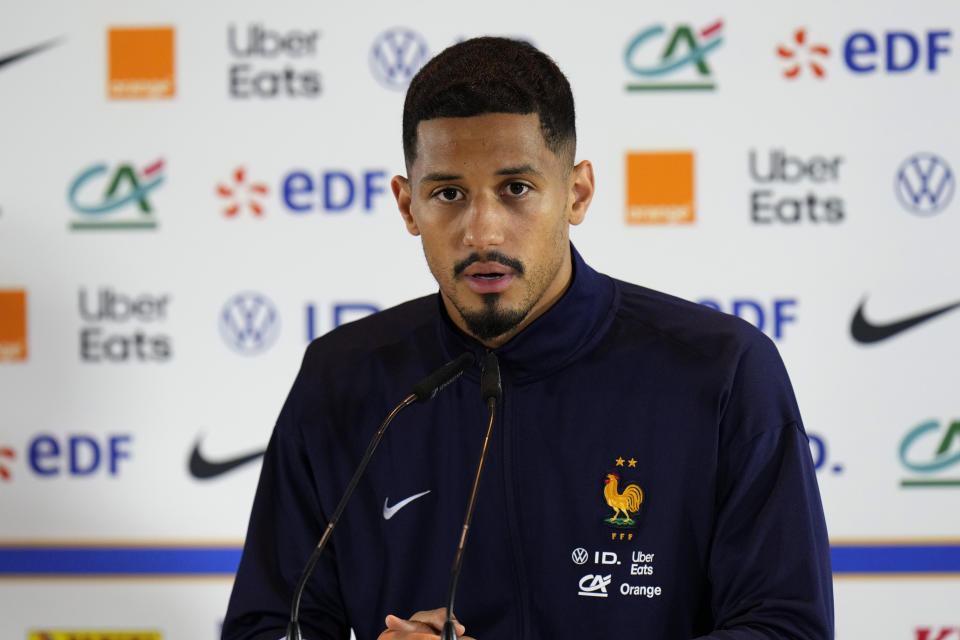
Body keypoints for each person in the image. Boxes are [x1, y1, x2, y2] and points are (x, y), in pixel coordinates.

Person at [223, 37, 834, 640]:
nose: (483, 232)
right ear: (407, 206)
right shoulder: (342, 376)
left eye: (516, 188)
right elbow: (269, 626)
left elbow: (784, 627)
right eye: (448, 194)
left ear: (577, 193)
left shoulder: (720, 369)